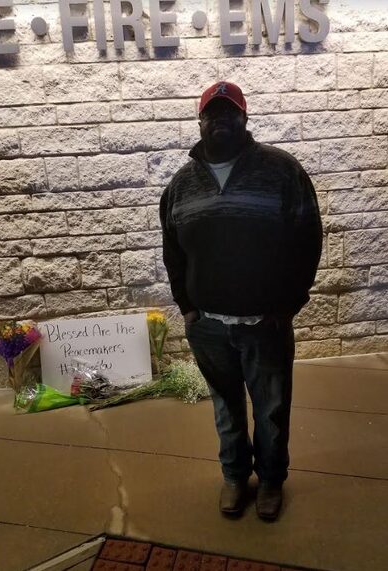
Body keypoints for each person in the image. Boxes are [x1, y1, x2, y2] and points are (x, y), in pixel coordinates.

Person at [159, 81, 323, 522]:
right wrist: (187, 309)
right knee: (225, 406)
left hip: (265, 323)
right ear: (200, 122)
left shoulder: (281, 171)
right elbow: (172, 251)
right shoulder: (181, 185)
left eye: (230, 113)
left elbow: (308, 239)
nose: (221, 121)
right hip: (208, 325)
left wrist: (288, 305)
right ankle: (234, 476)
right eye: (213, 114)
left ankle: (270, 481)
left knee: (270, 410)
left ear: (245, 119)